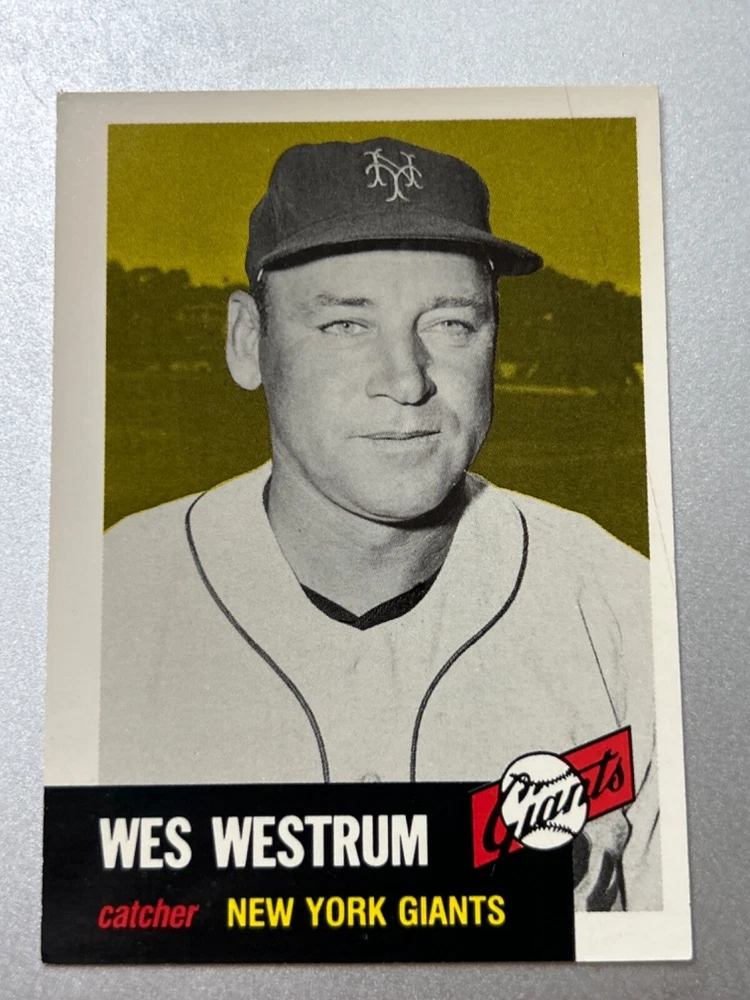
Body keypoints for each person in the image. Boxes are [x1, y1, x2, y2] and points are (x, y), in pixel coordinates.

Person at [100, 137, 660, 911]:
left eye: (451, 323)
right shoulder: (103, 608)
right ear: (248, 342)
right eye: (345, 325)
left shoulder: (628, 613)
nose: (406, 380)